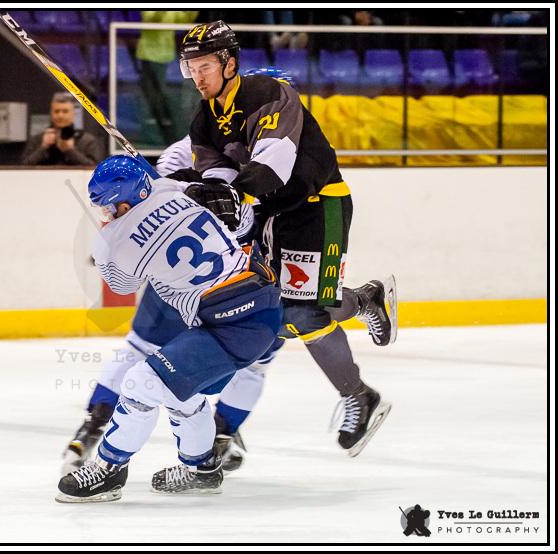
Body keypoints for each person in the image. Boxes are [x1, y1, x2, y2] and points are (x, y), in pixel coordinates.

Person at [178, 20, 394, 456]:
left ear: (229, 63)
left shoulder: (268, 94)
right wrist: (206, 190)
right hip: (270, 214)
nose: (197, 76)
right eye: (191, 68)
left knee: (300, 312)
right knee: (271, 312)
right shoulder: (205, 120)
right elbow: (219, 175)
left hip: (316, 205)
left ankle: (359, 396)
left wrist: (232, 195)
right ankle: (362, 300)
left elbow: (273, 165)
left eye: (205, 66)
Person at [56, 155, 282, 502]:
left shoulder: (118, 237)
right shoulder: (174, 189)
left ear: (125, 201)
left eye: (109, 207)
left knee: (140, 381)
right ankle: (201, 469)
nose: (107, 213)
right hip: (257, 302)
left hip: (232, 323)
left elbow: (122, 285)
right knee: (181, 391)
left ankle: (108, 470)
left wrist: (105, 248)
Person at [135, 11, 198, 144]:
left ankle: (163, 136)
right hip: (149, 55)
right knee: (150, 96)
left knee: (161, 95)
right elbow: (151, 17)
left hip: (165, 56)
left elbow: (184, 19)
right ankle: (150, 137)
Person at [20, 92, 105, 166]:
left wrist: (70, 151)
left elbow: (94, 169)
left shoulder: (87, 141)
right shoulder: (37, 140)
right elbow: (22, 167)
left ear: (73, 114)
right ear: (51, 114)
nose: (60, 115)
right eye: (56, 111)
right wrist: (43, 147)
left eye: (65, 111)